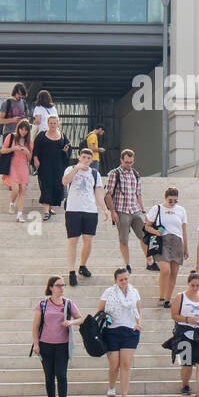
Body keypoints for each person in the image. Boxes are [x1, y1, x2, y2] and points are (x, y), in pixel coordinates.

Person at [31, 275, 82, 397]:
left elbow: (81, 318)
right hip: (45, 344)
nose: (61, 288)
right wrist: (36, 344)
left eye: (63, 285)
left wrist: (71, 323)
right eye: (58, 285)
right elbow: (35, 326)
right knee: (49, 375)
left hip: (62, 345)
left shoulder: (68, 303)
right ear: (51, 287)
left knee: (61, 375)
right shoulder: (42, 304)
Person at [98, 268, 142, 397]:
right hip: (112, 331)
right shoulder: (108, 292)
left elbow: (138, 310)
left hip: (130, 331)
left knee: (126, 365)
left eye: (126, 279)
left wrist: (139, 323)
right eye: (121, 279)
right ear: (115, 280)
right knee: (114, 364)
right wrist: (109, 318)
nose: (124, 282)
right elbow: (100, 312)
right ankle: (111, 386)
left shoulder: (134, 292)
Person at [104, 148, 154, 274]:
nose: (129, 164)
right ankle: (127, 265)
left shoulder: (136, 174)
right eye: (126, 162)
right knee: (124, 240)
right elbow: (108, 194)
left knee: (145, 237)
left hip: (135, 210)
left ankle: (150, 262)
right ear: (121, 160)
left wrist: (143, 211)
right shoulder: (114, 173)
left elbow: (138, 194)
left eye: (131, 162)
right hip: (121, 210)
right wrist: (112, 211)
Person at [62, 148, 105, 286]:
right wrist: (76, 168)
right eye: (84, 157)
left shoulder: (95, 173)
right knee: (73, 240)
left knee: (88, 240)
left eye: (88, 158)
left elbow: (98, 192)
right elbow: (65, 181)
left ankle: (82, 265)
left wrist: (105, 209)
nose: (86, 160)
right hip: (73, 209)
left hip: (90, 210)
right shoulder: (70, 168)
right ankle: (71, 271)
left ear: (91, 160)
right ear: (79, 157)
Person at [170, 272, 199, 397]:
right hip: (184, 333)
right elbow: (174, 315)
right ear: (188, 284)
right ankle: (185, 383)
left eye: (197, 286)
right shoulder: (180, 297)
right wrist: (188, 319)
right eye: (192, 285)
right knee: (187, 364)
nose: (195, 288)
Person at [145, 186, 188, 308]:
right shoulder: (157, 208)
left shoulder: (181, 210)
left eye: (175, 201)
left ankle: (167, 299)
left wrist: (186, 248)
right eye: (170, 200)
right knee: (165, 270)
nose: (173, 203)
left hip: (177, 241)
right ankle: (161, 296)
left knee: (174, 273)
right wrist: (155, 231)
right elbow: (147, 226)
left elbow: (184, 230)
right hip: (163, 240)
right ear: (165, 198)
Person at [32, 114, 71, 220]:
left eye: (55, 123)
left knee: (56, 186)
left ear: (58, 124)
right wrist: (35, 158)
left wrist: (66, 150)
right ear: (48, 124)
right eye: (51, 123)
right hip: (45, 165)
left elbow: (68, 148)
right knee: (46, 185)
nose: (53, 125)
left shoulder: (62, 135)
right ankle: (45, 211)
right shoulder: (42, 135)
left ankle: (49, 207)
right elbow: (35, 148)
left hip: (58, 166)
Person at [1, 119, 33, 222]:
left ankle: (19, 214)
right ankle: (11, 203)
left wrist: (27, 152)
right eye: (21, 129)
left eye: (25, 130)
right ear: (18, 129)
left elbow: (30, 159)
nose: (23, 131)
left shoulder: (29, 142)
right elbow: (3, 150)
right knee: (15, 189)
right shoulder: (11, 137)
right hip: (12, 165)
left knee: (23, 190)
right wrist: (14, 148)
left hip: (23, 167)